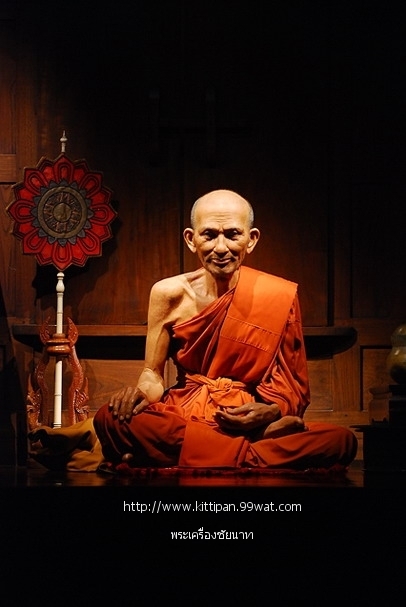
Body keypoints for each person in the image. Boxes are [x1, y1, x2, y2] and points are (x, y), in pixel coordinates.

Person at [93, 189, 357, 470]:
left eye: (232, 235)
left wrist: (271, 411)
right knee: (109, 418)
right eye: (209, 235)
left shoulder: (277, 295)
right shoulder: (168, 294)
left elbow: (292, 386)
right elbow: (152, 374)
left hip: (245, 418)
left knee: (341, 440)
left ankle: (188, 454)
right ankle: (250, 451)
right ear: (191, 239)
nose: (221, 247)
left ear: (251, 239)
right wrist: (140, 395)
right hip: (186, 411)